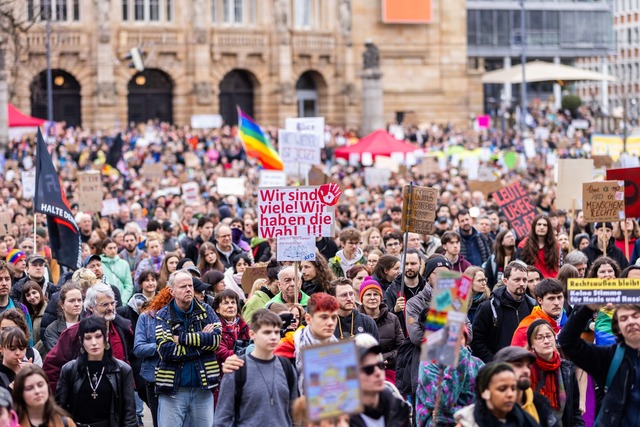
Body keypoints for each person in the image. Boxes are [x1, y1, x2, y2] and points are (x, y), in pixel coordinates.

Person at [154, 269, 222, 427]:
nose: (188, 289)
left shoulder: (207, 310)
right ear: (172, 291)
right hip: (173, 390)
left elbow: (216, 340)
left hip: (203, 389)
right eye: (183, 286)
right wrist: (202, 344)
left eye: (190, 285)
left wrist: (182, 339)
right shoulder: (162, 315)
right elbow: (166, 350)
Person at [214, 309, 298, 427]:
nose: (273, 337)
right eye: (267, 332)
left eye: (276, 332)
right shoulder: (237, 368)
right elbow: (222, 418)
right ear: (252, 334)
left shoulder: (286, 367)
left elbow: (294, 412)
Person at [43, 284, 133, 393]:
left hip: (117, 398)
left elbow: (130, 361)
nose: (110, 308)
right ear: (91, 307)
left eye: (112, 303)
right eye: (104, 304)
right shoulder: (74, 333)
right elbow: (52, 366)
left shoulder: (123, 328)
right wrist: (62, 398)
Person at [56, 316, 137, 426]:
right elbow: (60, 408)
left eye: (98, 336)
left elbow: (129, 413)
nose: (94, 342)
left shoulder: (122, 370)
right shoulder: (69, 369)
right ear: (81, 341)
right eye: (88, 338)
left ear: (106, 338)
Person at [417, 326, 484, 427]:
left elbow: (487, 404)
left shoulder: (477, 364)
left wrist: (443, 415)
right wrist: (457, 361)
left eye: (459, 338)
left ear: (466, 340)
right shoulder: (429, 364)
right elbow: (444, 401)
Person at [471, 261, 537, 363]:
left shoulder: (533, 307)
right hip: (499, 368)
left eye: (525, 280)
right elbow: (477, 341)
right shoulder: (489, 307)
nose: (522, 283)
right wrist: (494, 363)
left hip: (526, 365)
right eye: (517, 279)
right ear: (505, 281)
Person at [526, 320, 583, 426]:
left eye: (549, 336)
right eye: (540, 338)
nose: (546, 341)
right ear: (532, 344)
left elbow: (575, 411)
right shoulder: (525, 371)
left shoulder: (567, 369)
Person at [349, 333, 411, 426]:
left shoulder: (398, 408)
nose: (378, 372)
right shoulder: (344, 419)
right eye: (369, 369)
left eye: (380, 365)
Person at [453, 362, 539, 427]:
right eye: (502, 389)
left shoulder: (526, 421)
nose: (510, 394)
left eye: (513, 388)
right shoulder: (468, 422)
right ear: (485, 392)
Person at [134, 288, 172, 427]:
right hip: (154, 379)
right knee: (158, 422)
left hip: (179, 379)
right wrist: (163, 346)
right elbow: (138, 349)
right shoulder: (146, 318)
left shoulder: (184, 316)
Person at [493, 346, 559, 427]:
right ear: (499, 370)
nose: (526, 371)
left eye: (528, 366)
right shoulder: (486, 408)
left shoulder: (540, 402)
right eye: (518, 365)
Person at [357, 277, 402, 382]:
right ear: (361, 298)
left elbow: (401, 347)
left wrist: (384, 357)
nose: (372, 298)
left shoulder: (392, 319)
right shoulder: (356, 320)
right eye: (368, 294)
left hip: (389, 372)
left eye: (376, 294)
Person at [511, 278, 566, 347]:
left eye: (559, 297)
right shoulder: (526, 328)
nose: (557, 303)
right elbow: (517, 356)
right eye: (551, 298)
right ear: (540, 300)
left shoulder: (568, 322)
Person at [384, 249, 426, 334]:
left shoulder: (426, 287)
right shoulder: (392, 290)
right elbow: (385, 321)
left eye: (413, 263)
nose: (409, 267)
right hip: (403, 340)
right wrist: (395, 310)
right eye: (406, 264)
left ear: (420, 263)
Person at [213, 289, 250, 367]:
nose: (230, 306)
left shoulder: (245, 327)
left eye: (233, 302)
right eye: (226, 303)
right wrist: (249, 352)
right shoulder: (215, 329)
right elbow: (222, 354)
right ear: (217, 309)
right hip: (226, 371)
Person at [42, 283, 82, 354]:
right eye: (72, 301)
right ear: (62, 304)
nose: (77, 304)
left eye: (79, 300)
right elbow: (57, 356)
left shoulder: (90, 325)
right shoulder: (52, 329)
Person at [100, 238, 134, 304]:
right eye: (110, 248)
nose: (113, 250)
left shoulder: (124, 264)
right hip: (104, 300)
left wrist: (123, 301)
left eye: (115, 248)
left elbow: (128, 285)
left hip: (122, 300)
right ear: (104, 249)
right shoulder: (99, 264)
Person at [20, 281, 46, 348]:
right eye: (28, 295)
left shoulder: (47, 312)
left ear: (40, 292)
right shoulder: (24, 314)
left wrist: (33, 351)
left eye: (34, 293)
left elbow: (46, 338)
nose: (32, 297)